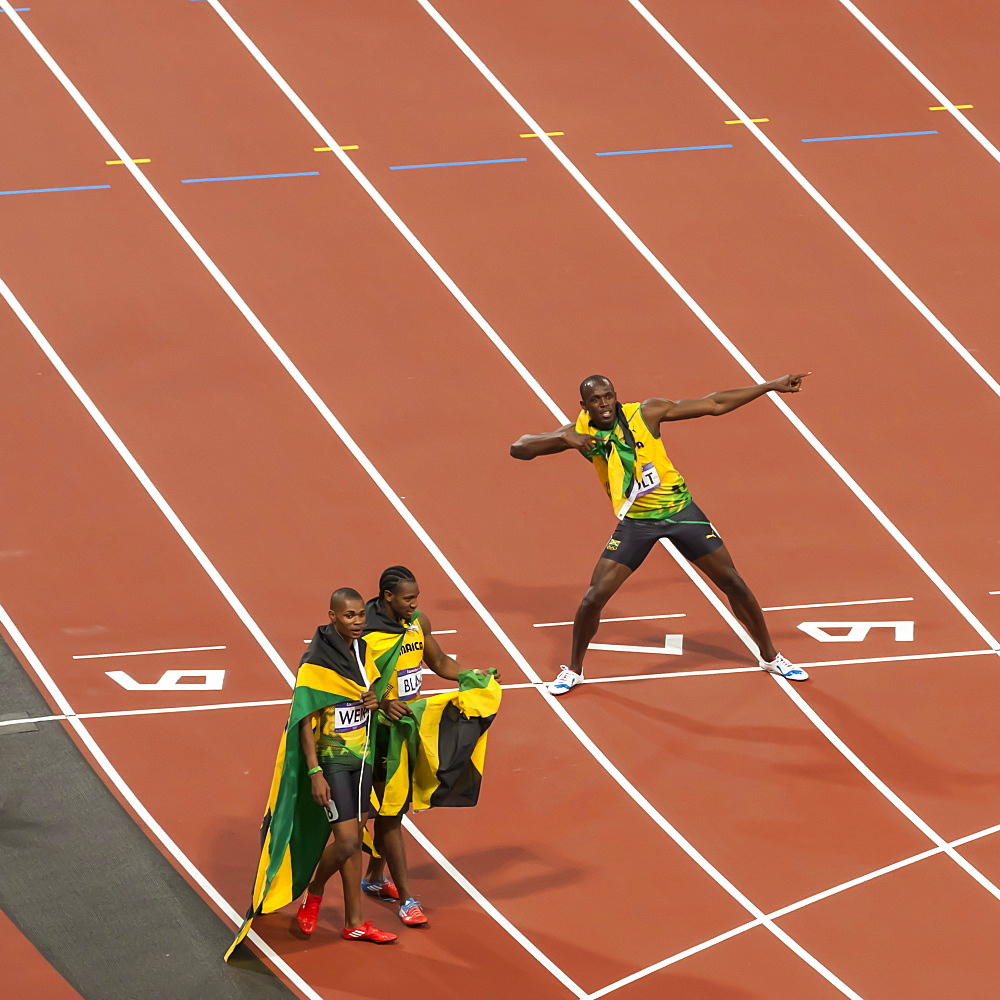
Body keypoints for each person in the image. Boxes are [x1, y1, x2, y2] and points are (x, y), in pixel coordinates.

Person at [510, 374, 811, 694]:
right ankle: (574, 670)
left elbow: (714, 403)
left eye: (608, 397)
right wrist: (565, 440)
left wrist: (768, 387)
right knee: (593, 597)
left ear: (616, 396)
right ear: (584, 406)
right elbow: (519, 448)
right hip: (637, 523)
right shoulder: (579, 433)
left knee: (732, 582)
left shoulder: (645, 413)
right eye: (596, 401)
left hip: (681, 513)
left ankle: (770, 656)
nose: (604, 404)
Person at [360, 566, 482, 928]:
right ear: (388, 597)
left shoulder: (417, 623)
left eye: (417, 598)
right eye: (408, 599)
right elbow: (349, 684)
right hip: (376, 733)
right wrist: (382, 702)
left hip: (407, 728)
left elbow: (440, 661)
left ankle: (373, 877)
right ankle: (406, 898)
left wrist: (472, 677)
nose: (415, 604)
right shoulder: (365, 633)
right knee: (390, 813)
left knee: (391, 809)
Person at [294, 588, 397, 944]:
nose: (358, 622)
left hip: (362, 757)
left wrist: (374, 700)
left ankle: (355, 921)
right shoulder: (314, 663)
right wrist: (314, 771)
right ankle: (315, 891)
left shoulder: (363, 650)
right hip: (333, 760)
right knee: (348, 841)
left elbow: (368, 694)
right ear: (332, 616)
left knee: (355, 843)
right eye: (350, 616)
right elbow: (304, 719)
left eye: (361, 616)